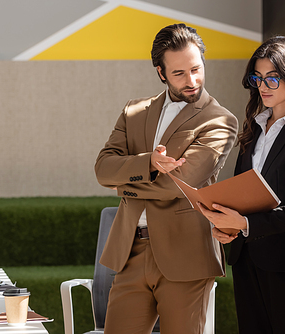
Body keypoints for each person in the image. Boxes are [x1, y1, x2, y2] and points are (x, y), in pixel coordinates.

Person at [94, 23, 238, 334]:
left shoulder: (220, 120)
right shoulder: (134, 112)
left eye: (197, 69)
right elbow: (103, 168)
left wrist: (125, 186)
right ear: (161, 72)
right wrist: (149, 162)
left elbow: (180, 184)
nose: (192, 80)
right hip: (131, 253)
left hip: (186, 256)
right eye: (179, 73)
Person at [198, 36, 285, 333]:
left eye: (272, 79)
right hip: (246, 257)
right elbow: (242, 191)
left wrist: (245, 223)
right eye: (258, 78)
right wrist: (229, 225)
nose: (263, 86)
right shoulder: (254, 126)